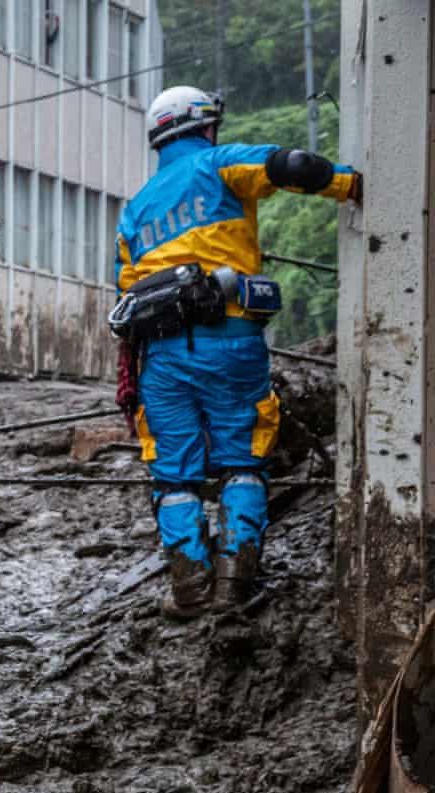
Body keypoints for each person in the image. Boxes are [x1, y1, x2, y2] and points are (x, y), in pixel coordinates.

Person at [114, 85, 362, 616]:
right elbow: (292, 165)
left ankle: (188, 589)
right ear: (205, 125)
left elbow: (125, 291)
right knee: (241, 461)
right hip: (232, 344)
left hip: (161, 359)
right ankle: (234, 588)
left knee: (173, 473)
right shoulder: (222, 163)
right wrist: (353, 185)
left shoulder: (134, 209)